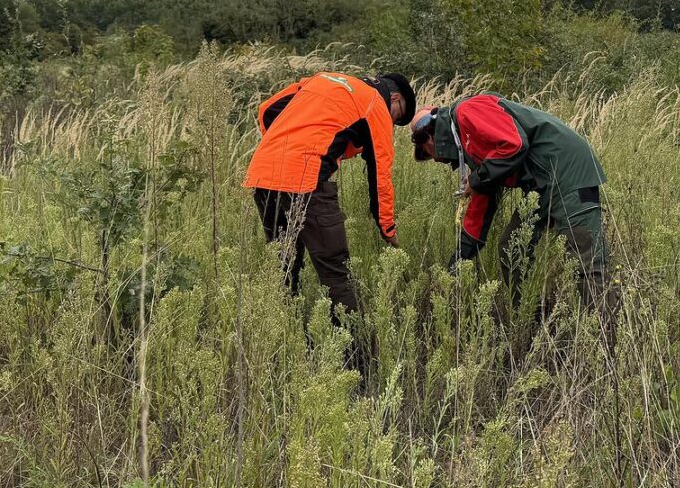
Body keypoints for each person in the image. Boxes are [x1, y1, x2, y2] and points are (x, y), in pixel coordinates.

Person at [409, 94, 613, 314]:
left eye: (429, 154)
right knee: (512, 248)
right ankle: (530, 320)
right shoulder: (468, 147)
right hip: (540, 186)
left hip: (569, 172)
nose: (438, 160)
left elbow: (514, 144)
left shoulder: (466, 112)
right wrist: (455, 265)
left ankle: (607, 334)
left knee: (586, 262)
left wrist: (477, 179)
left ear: (429, 139)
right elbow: (480, 210)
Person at [244, 71, 414, 327]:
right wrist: (387, 227)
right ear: (396, 98)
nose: (391, 123)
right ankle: (356, 358)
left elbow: (267, 110)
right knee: (336, 273)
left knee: (283, 265)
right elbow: (381, 173)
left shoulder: (323, 79)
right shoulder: (375, 103)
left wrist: (281, 150)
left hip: (263, 174)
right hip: (307, 180)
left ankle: (283, 339)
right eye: (396, 116)